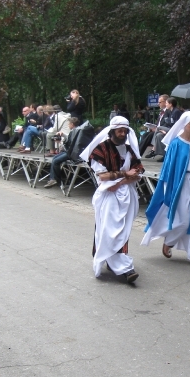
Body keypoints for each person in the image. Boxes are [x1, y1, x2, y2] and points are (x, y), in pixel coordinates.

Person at [142, 111, 190, 268]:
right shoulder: (175, 144)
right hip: (179, 184)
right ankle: (169, 241)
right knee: (182, 220)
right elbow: (168, 168)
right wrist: (168, 187)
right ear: (184, 125)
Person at [80, 116, 144, 283]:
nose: (122, 134)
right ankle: (125, 269)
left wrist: (122, 181)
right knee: (110, 230)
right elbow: (102, 175)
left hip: (126, 194)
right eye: (119, 131)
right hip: (108, 195)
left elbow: (138, 171)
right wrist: (124, 174)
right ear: (113, 131)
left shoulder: (129, 150)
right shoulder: (100, 149)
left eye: (125, 131)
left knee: (122, 231)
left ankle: (112, 260)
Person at [153, 97, 182, 162]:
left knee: (158, 128)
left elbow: (176, 125)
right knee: (159, 135)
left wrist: (167, 132)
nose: (166, 105)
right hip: (170, 129)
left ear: (170, 104)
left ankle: (153, 147)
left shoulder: (176, 111)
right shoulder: (171, 111)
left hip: (174, 131)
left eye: (166, 103)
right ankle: (164, 155)